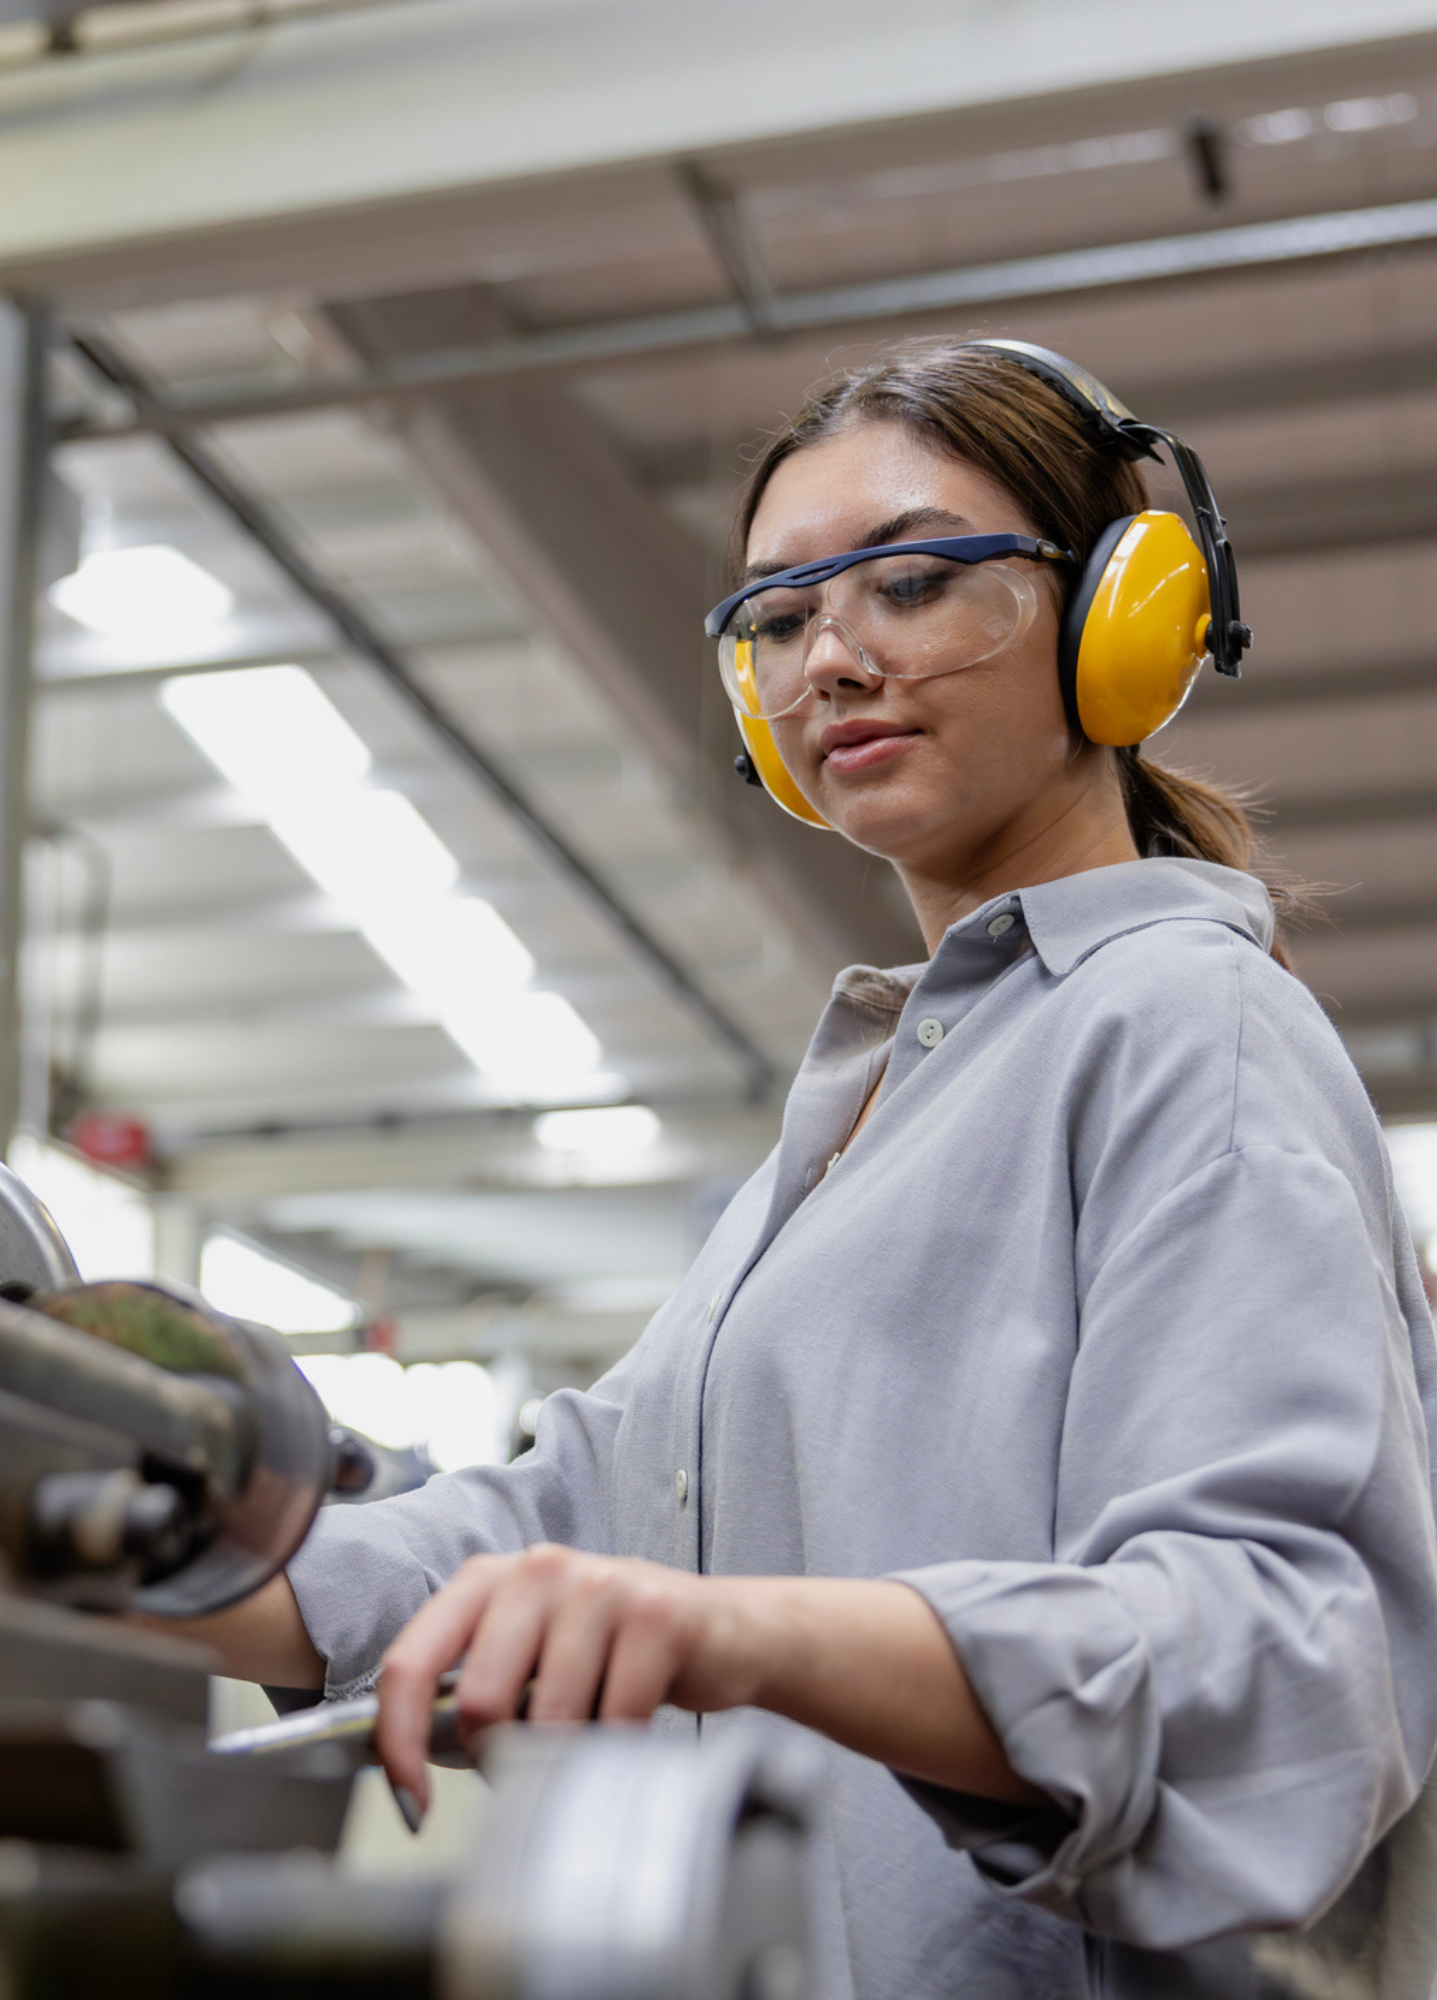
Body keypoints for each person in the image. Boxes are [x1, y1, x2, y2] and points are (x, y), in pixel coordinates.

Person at [171, 339, 1437, 1998]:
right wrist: (109, 1547)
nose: (832, 657)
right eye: (778, 617)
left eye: (911, 582)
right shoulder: (868, 1102)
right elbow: (563, 1523)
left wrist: (744, 1631)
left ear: (1118, 614)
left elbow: (1274, 1669)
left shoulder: (1188, 1027)